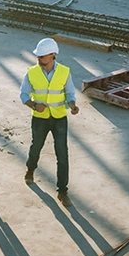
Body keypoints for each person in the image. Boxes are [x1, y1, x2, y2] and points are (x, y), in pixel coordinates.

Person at [20, 38, 80, 207]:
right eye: (37, 56)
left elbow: (70, 94)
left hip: (59, 118)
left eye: (42, 56)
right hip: (40, 119)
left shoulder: (64, 72)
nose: (38, 59)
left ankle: (62, 191)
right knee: (36, 147)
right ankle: (30, 169)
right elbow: (23, 94)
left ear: (52, 55)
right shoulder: (31, 72)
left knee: (62, 154)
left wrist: (73, 106)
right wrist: (33, 104)